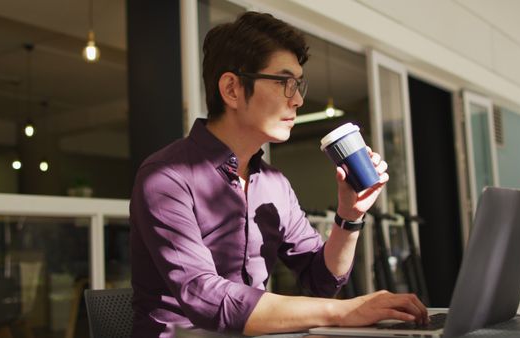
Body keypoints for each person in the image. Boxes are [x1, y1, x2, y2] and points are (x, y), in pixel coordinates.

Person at [129, 11, 428, 338]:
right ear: (231, 89)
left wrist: (349, 215)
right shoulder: (166, 178)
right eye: (285, 82)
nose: (298, 99)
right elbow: (207, 298)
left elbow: (321, 280)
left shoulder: (273, 184)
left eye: (298, 84)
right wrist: (346, 311)